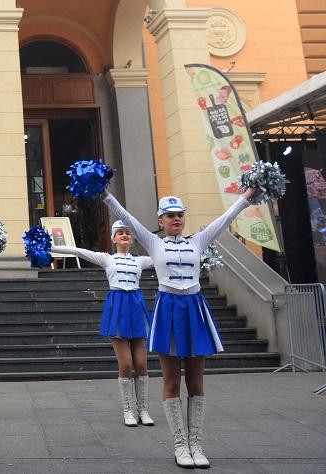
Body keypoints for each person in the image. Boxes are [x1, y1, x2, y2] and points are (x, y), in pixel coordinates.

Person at [103, 187, 257, 469]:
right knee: (171, 379)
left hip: (194, 308)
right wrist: (104, 192)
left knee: (196, 380)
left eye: (180, 215)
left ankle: (196, 443)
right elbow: (125, 215)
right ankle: (180, 446)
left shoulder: (198, 241)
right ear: (160, 221)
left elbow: (224, 219)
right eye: (170, 216)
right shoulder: (152, 242)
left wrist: (246, 197)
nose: (176, 219)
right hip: (169, 310)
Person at [52, 220, 156, 427]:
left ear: (132, 237)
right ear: (113, 238)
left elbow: (165, 258)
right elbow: (77, 251)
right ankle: (128, 410)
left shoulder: (141, 261)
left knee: (142, 363)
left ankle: (143, 409)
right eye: (120, 233)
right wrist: (49, 246)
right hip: (117, 307)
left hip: (136, 306)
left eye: (127, 232)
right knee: (126, 364)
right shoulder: (107, 259)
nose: (124, 235)